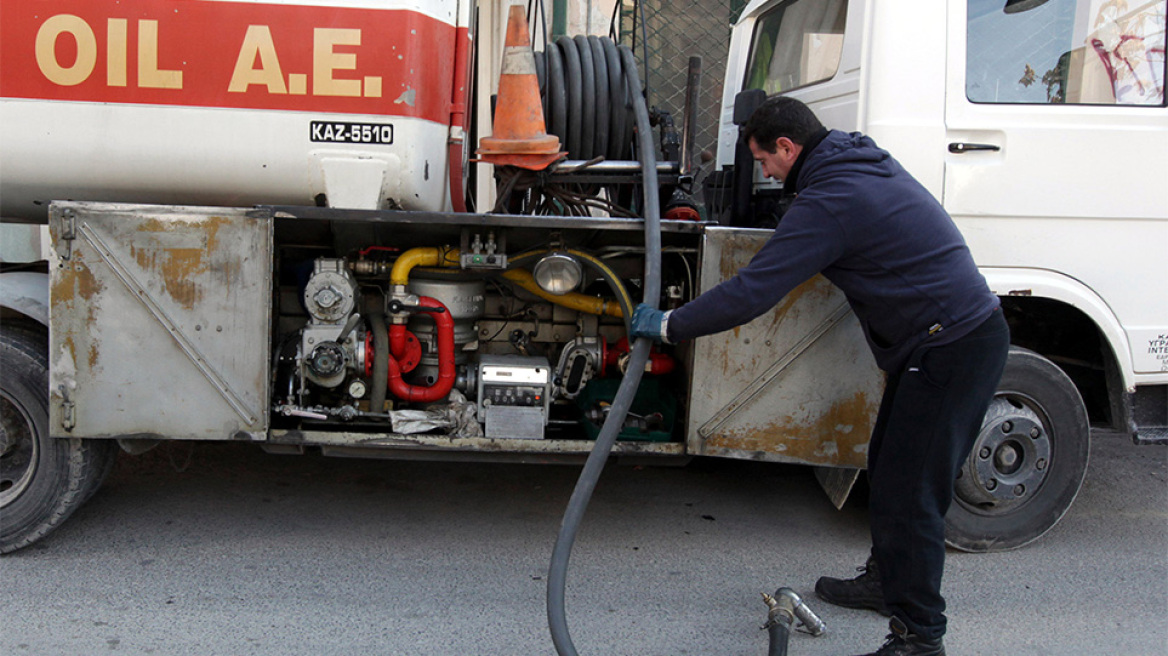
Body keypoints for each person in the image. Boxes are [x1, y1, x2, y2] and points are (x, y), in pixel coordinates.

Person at [630, 97, 1009, 656]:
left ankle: (920, 637)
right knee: (887, 469)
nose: (765, 173)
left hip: (951, 347)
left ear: (788, 147)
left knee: (913, 496)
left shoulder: (832, 199)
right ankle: (887, 581)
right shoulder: (853, 161)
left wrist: (671, 324)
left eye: (765, 161)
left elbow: (753, 291)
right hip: (937, 342)